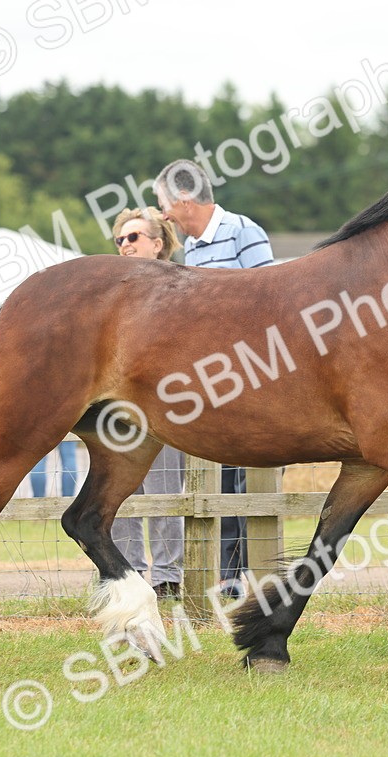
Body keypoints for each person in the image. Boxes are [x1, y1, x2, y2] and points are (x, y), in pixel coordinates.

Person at [154, 158, 274, 597]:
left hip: (245, 374)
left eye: (164, 204)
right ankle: (227, 576)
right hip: (208, 379)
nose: (163, 214)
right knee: (219, 477)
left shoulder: (244, 233)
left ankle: (241, 574)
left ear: (184, 200)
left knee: (241, 476)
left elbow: (270, 302)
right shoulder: (193, 249)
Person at [107, 207, 187, 599]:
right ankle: (129, 571)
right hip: (119, 403)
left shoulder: (180, 286)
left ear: (157, 244)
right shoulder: (110, 292)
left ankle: (168, 576)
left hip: (166, 401)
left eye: (133, 237)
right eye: (120, 239)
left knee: (165, 488)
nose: (124, 245)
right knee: (115, 490)